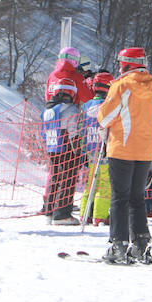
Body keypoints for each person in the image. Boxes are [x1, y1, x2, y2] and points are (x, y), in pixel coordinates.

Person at [96, 47, 152, 265]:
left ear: (127, 64)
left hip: (122, 149)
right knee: (137, 199)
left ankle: (118, 244)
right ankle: (140, 243)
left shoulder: (121, 86)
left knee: (120, 197)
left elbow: (104, 117)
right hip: (146, 152)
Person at [41, 78, 85, 224]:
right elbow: (73, 131)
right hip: (66, 147)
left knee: (55, 177)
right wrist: (78, 151)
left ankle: (49, 211)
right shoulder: (70, 109)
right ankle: (62, 214)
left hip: (52, 147)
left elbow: (43, 132)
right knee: (68, 178)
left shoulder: (47, 110)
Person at [80, 72, 114, 223]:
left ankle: (84, 213)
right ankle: (99, 216)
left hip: (90, 148)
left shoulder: (86, 106)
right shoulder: (109, 105)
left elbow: (81, 128)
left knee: (90, 182)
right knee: (104, 183)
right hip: (105, 148)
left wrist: (82, 149)